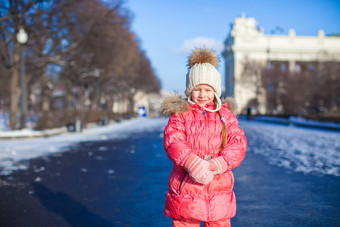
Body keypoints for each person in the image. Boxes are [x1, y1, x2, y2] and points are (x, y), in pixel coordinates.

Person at [161, 47, 247, 227]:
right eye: (197, 89)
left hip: (219, 186)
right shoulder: (181, 115)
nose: (202, 95)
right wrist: (191, 162)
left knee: (219, 222)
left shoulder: (225, 115)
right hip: (187, 187)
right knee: (185, 222)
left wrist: (220, 163)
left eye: (208, 90)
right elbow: (173, 140)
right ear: (189, 90)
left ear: (215, 91)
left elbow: (238, 143)